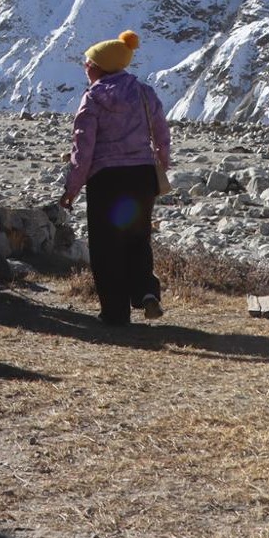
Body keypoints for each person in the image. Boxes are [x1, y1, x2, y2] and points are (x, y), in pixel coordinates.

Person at [59, 29, 170, 327]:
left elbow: (83, 148)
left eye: (89, 63)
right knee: (137, 237)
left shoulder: (93, 99)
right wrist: (163, 160)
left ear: (99, 67)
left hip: (108, 180)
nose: (86, 67)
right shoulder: (145, 93)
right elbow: (161, 131)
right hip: (142, 177)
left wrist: (72, 188)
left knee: (107, 246)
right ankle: (146, 291)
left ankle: (115, 312)